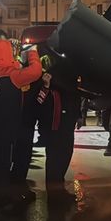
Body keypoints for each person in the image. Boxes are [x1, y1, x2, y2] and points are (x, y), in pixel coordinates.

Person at [0, 38, 42, 220]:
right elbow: (36, 71)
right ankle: (0, 205)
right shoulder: (12, 75)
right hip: (5, 131)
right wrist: (32, 52)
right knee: (3, 169)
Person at [37, 71, 81, 201]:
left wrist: (78, 115)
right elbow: (40, 102)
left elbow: (75, 97)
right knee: (55, 160)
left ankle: (58, 190)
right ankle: (54, 195)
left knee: (65, 156)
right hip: (55, 127)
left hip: (67, 125)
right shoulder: (52, 82)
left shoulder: (69, 81)